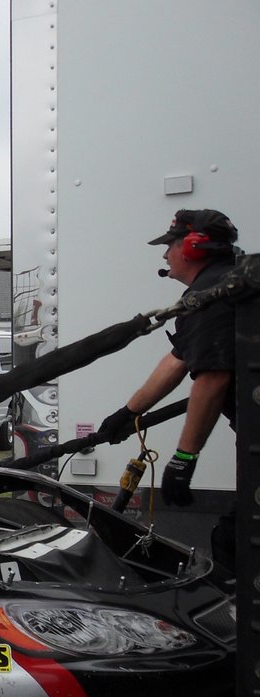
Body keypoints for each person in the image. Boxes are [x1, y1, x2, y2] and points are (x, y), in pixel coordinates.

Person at [99, 208, 241, 568]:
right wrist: (128, 413)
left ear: (193, 248)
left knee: (234, 543)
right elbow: (177, 360)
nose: (164, 255)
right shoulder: (220, 287)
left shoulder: (213, 296)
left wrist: (184, 459)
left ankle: (230, 621)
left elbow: (213, 379)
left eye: (170, 245)